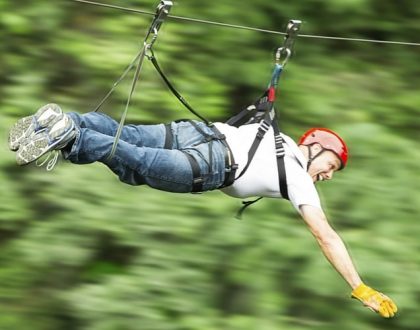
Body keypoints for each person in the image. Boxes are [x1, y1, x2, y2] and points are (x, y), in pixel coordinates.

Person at [8, 103, 398, 318]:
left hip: (197, 131)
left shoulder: (272, 133)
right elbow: (325, 234)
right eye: (330, 168)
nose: (327, 177)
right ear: (315, 148)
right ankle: (72, 134)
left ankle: (66, 121)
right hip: (211, 164)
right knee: (137, 163)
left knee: (127, 136)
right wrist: (358, 286)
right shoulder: (296, 175)